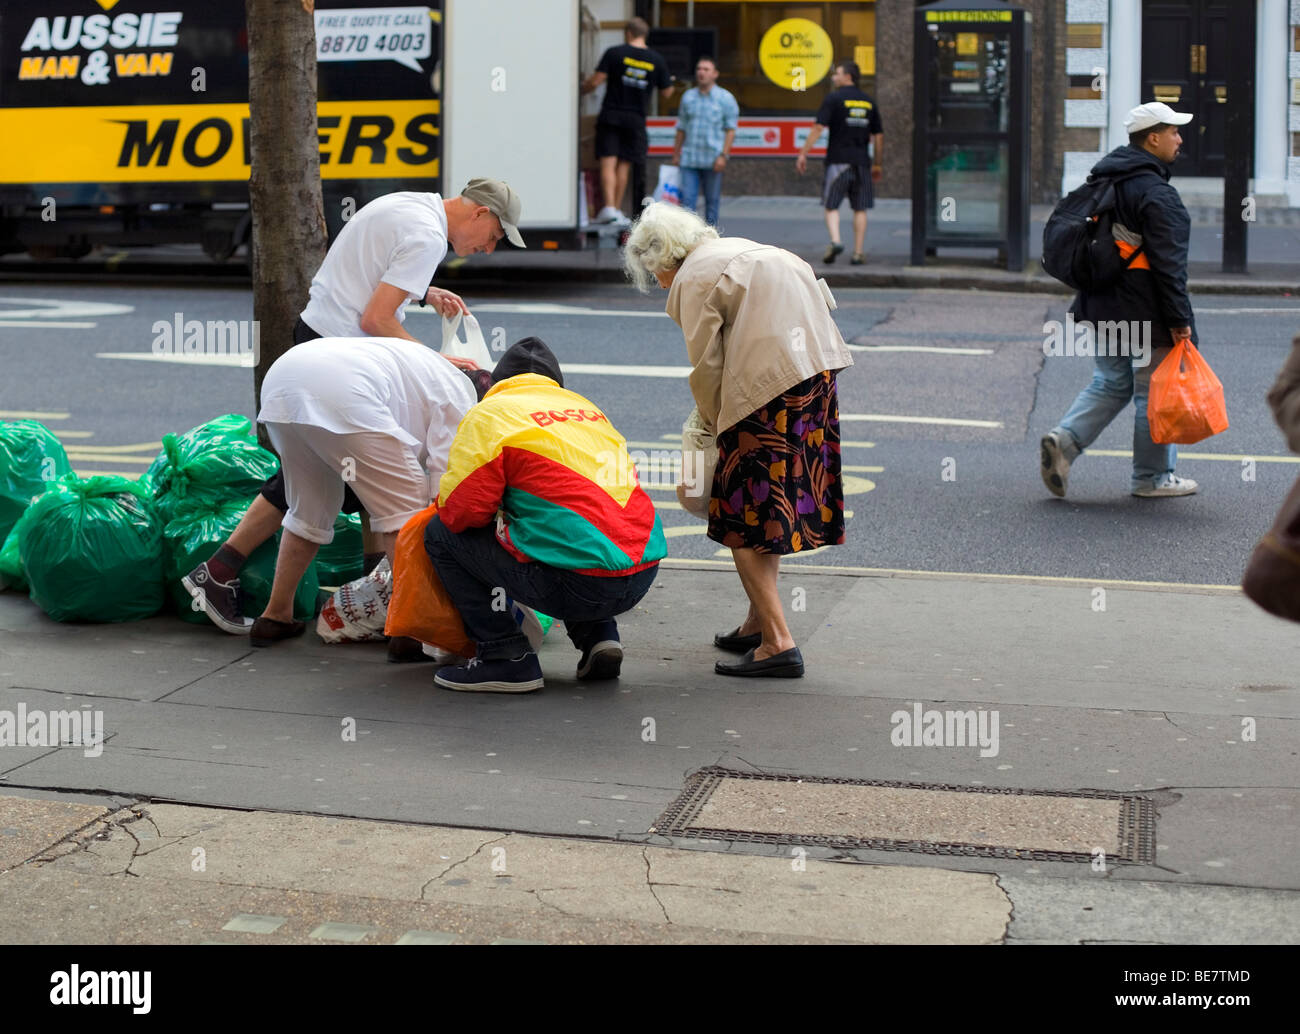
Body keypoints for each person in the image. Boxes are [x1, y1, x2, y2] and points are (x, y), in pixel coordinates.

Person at [184, 180, 524, 637]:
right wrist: (437, 360)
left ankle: (300, 606)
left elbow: (368, 271)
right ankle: (403, 621)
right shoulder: (428, 238)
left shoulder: (409, 205)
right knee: (375, 490)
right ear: (480, 213)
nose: (487, 249)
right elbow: (376, 319)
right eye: (495, 236)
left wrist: (423, 291)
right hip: (346, 360)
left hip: (308, 352)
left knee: (331, 487)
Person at [623, 203, 853, 678]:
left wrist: (711, 426)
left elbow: (707, 365)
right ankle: (757, 621)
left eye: (654, 273)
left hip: (765, 391)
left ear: (662, 258)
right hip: (817, 377)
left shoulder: (692, 278)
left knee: (738, 512)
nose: (659, 282)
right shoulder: (746, 249)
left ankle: (777, 642)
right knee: (766, 511)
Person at [425, 338, 666, 693]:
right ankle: (598, 635)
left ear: (494, 382)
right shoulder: (588, 409)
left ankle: (505, 657)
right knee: (577, 526)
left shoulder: (491, 414)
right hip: (641, 575)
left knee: (441, 534)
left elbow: (462, 513)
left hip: (575, 585)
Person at [239, 337, 480, 646]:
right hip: (345, 393)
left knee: (307, 510)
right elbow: (444, 484)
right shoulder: (462, 396)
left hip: (283, 383)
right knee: (405, 515)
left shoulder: (428, 368)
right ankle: (409, 632)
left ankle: (275, 616)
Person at [1040, 102, 1200, 499]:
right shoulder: (1157, 195)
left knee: (1111, 382)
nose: (1179, 139)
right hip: (1144, 310)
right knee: (1153, 394)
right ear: (1153, 138)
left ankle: (1064, 441)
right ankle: (1152, 478)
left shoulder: (1105, 179)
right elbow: (1168, 267)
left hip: (1100, 304)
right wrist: (1181, 321)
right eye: (1173, 132)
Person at [581, 17, 674, 225]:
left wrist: (580, 88)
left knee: (608, 162)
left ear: (628, 33)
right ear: (644, 35)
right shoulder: (656, 59)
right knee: (623, 165)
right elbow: (668, 92)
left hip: (612, 115)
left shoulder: (614, 53)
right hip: (635, 120)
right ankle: (615, 210)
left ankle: (610, 208)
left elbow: (595, 82)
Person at [795, 60, 882, 265]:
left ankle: (835, 241)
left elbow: (818, 128)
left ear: (848, 76)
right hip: (862, 162)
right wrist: (878, 163)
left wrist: (803, 153)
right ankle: (858, 252)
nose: (834, 77)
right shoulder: (868, 101)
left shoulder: (834, 99)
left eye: (838, 73)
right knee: (860, 208)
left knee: (831, 204)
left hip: (838, 161)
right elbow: (878, 136)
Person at [671, 55, 739, 227]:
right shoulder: (688, 97)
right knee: (687, 205)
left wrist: (724, 155)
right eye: (699, 69)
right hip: (690, 159)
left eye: (706, 69)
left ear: (715, 74)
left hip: (713, 159)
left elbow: (730, 130)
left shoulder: (725, 98)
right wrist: (676, 153)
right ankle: (687, 242)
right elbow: (681, 127)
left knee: (712, 204)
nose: (701, 73)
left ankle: (710, 244)